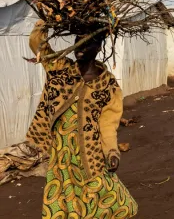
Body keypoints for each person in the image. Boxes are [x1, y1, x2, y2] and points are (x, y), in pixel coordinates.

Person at [26, 20, 138, 218]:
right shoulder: (60, 68)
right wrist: (44, 24)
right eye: (78, 40)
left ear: (99, 47)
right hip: (61, 153)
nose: (80, 47)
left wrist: (111, 151)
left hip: (90, 152)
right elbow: (38, 45)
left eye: (88, 43)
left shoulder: (107, 84)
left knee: (103, 196)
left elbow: (108, 124)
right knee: (61, 200)